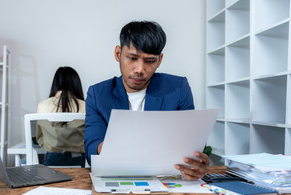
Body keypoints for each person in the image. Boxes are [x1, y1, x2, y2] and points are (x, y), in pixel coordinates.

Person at [84, 21, 209, 180]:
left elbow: (190, 143)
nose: (140, 69)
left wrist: (194, 164)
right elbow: (92, 148)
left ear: (160, 60)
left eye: (150, 61)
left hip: (166, 179)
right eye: (132, 58)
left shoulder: (179, 88)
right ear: (118, 54)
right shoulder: (98, 94)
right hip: (118, 177)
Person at [36, 66, 86, 167]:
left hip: (52, 158)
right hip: (78, 159)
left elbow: (40, 137)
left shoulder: (43, 105)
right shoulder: (86, 105)